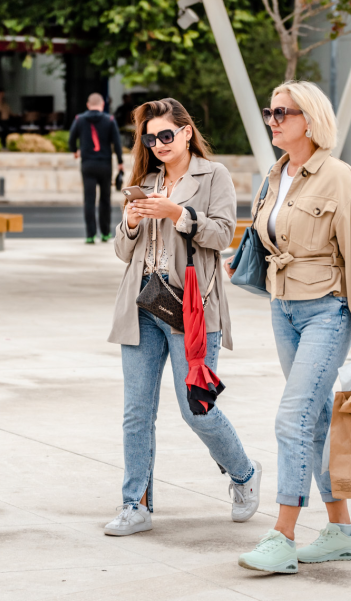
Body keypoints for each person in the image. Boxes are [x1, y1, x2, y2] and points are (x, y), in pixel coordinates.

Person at [227, 81, 351, 575]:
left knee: (291, 418)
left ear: (310, 120)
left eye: (283, 113)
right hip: (283, 308)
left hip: (328, 311)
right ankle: (340, 531)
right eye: (270, 112)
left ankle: (283, 535)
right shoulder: (276, 176)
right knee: (313, 422)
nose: (273, 120)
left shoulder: (339, 178)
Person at [105, 98, 261, 537]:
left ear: (187, 132)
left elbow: (223, 234)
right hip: (142, 305)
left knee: (197, 408)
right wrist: (132, 222)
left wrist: (178, 214)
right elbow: (122, 251)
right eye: (150, 138)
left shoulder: (214, 176)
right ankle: (135, 504)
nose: (157, 144)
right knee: (137, 412)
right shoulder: (146, 181)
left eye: (166, 136)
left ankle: (245, 475)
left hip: (191, 309)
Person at [69, 93, 124, 243]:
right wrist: (120, 162)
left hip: (87, 164)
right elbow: (117, 143)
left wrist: (75, 151)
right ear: (101, 105)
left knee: (89, 200)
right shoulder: (110, 120)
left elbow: (71, 139)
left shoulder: (79, 120)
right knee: (105, 200)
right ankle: (105, 233)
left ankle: (90, 234)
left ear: (88, 105)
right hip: (105, 164)